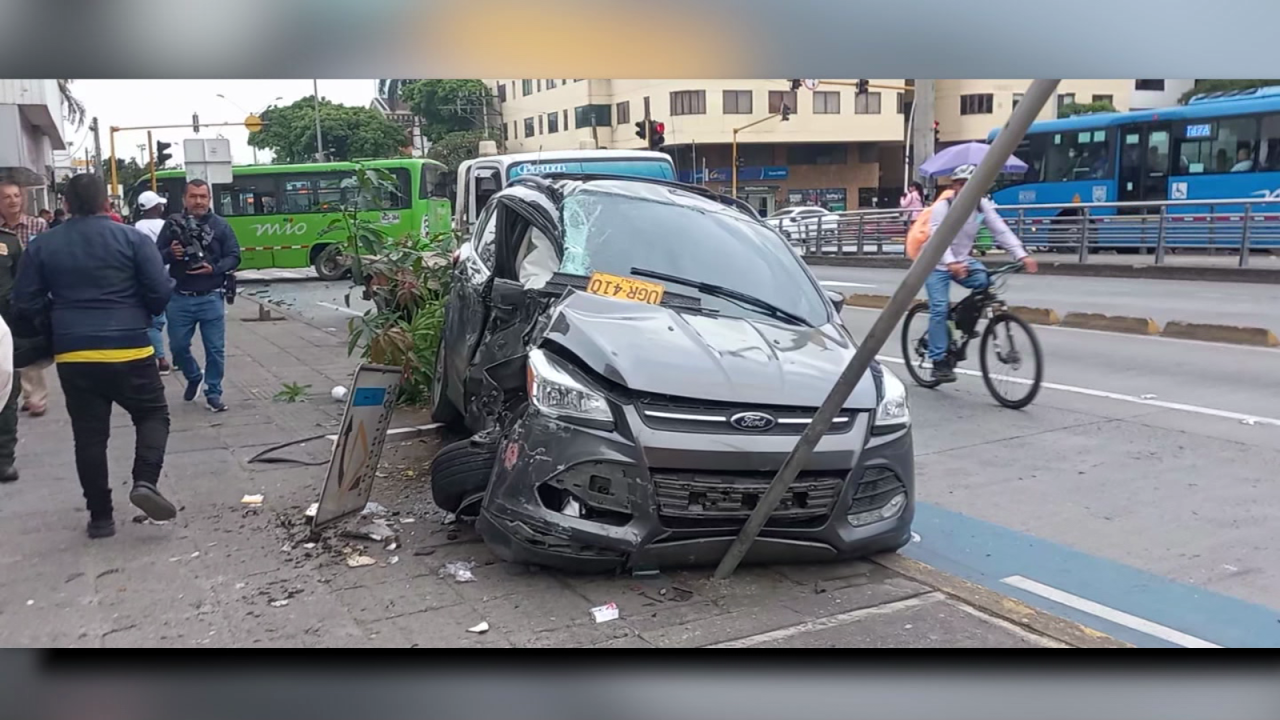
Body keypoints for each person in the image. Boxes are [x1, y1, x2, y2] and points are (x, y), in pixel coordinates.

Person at [11, 174, 176, 538]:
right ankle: (144, 482)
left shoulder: (43, 245)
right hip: (131, 346)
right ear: (107, 204)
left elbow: (23, 302)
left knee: (89, 436)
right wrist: (140, 312)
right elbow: (159, 292)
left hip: (75, 353)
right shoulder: (132, 239)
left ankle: (100, 518)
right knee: (152, 414)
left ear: (66, 205)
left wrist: (53, 319)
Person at [925, 164, 1038, 383]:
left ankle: (961, 323)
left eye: (970, 184)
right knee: (939, 309)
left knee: (985, 283)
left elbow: (1000, 230)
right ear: (954, 186)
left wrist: (1021, 255)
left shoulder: (981, 206)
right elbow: (938, 239)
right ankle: (938, 361)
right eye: (960, 184)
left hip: (964, 261)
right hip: (936, 263)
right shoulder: (943, 207)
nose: (965, 188)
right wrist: (950, 263)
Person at [157, 179, 240, 413]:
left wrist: (214, 268)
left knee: (215, 349)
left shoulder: (220, 226)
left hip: (211, 296)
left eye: (203, 196)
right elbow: (153, 255)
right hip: (179, 298)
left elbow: (234, 256)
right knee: (178, 347)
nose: (198, 201)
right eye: (193, 196)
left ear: (209, 199)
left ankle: (213, 392)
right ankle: (193, 376)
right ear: (185, 198)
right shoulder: (173, 224)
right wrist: (170, 253)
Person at [0, 179, 50, 416]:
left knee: (26, 348)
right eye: (6, 197)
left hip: (24, 295)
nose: (12, 201)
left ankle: (36, 397)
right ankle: (11, 393)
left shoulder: (36, 225)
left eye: (16, 196)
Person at [133, 191, 172, 375]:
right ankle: (174, 358)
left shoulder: (136, 228)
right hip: (170, 276)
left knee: (154, 322)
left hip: (147, 279)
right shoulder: (166, 225)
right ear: (156, 207)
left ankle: (161, 358)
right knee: (175, 320)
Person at [0, 224, 23, 483]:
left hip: (3, 329)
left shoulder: (9, 242)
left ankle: (4, 457)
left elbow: (22, 283)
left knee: (6, 388)